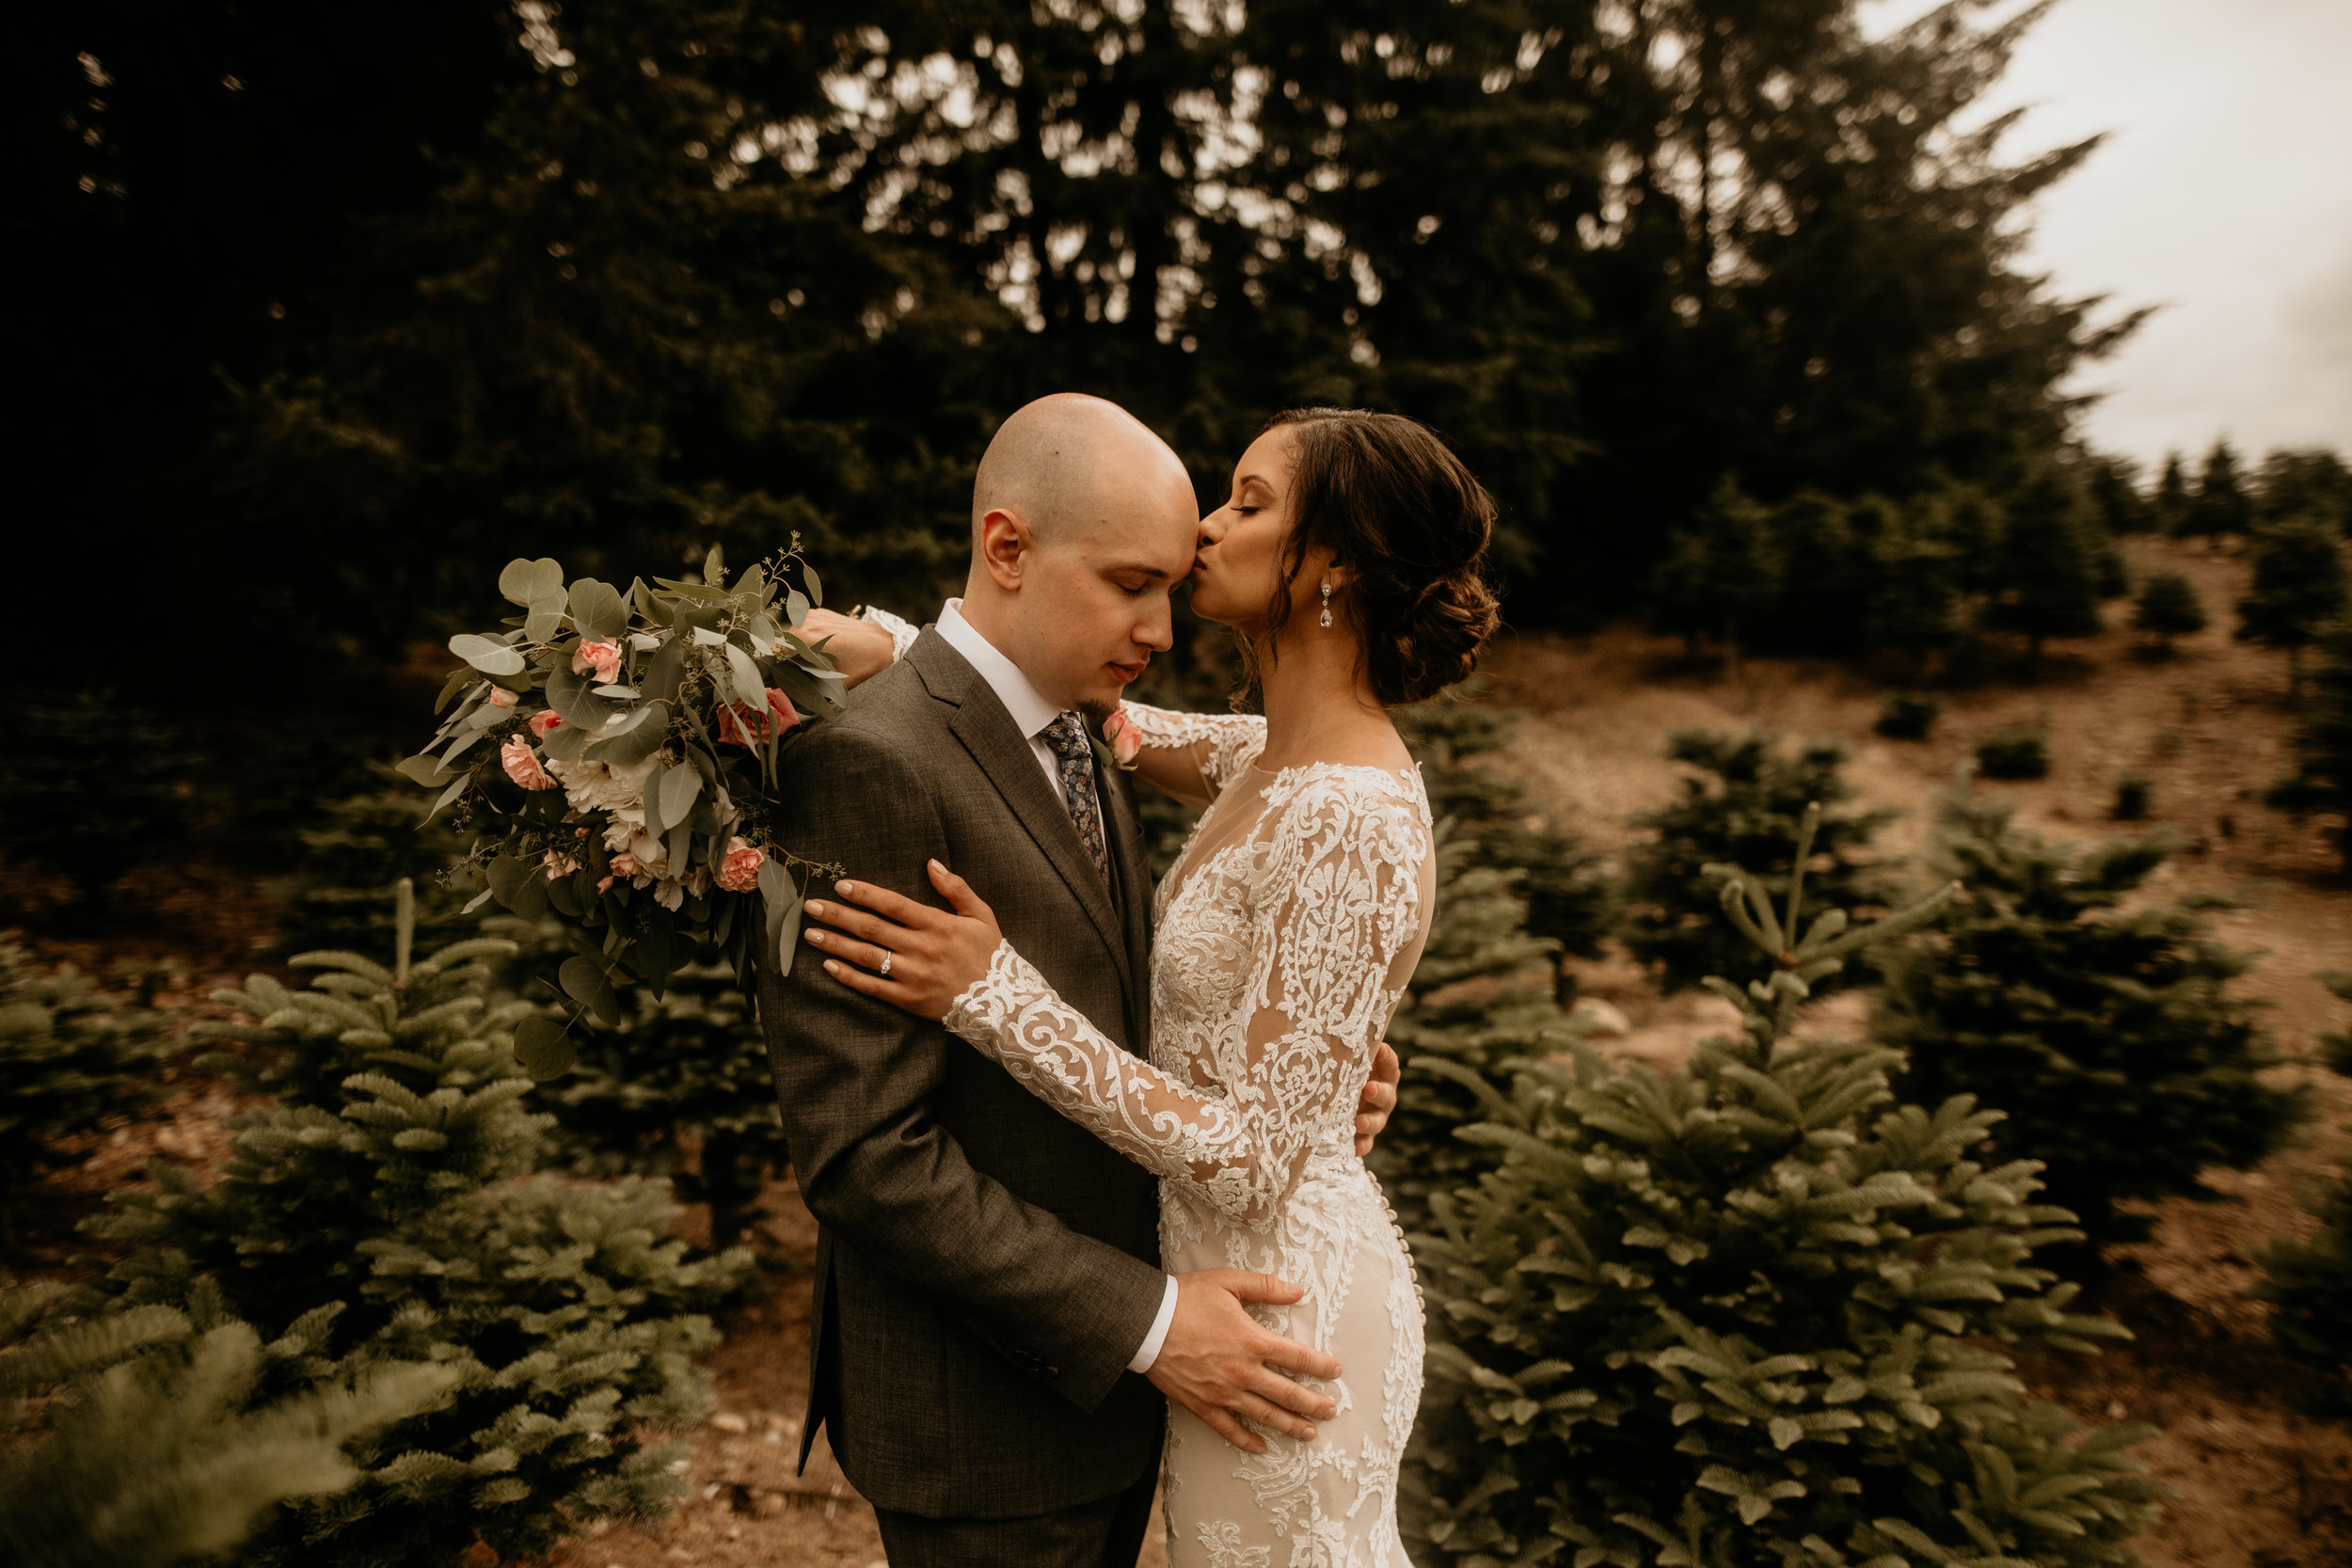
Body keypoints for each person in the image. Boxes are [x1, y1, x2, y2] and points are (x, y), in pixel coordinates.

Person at [803, 404, 1501, 1566]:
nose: (1209, 528)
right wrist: (898, 644)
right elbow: (1061, 709)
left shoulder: (1347, 811)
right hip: (1206, 1289)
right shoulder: (1266, 756)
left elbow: (1260, 1157)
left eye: (1249, 503)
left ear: (1333, 565)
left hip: (1279, 1311)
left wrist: (994, 994)